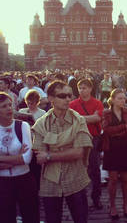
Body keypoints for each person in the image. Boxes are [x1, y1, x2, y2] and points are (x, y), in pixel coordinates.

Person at [32, 80, 92, 223]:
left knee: (81, 219)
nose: (67, 99)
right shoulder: (41, 124)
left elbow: (79, 152)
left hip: (75, 178)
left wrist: (50, 155)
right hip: (51, 182)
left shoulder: (79, 120)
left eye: (69, 95)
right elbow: (39, 157)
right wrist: (66, 148)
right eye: (62, 96)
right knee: (52, 219)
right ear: (51, 98)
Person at [0, 92, 39, 223]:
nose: (9, 108)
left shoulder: (22, 126)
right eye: (4, 106)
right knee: (6, 217)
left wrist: (3, 160)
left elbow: (27, 158)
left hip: (24, 180)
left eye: (10, 105)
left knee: (30, 216)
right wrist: (17, 157)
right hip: (3, 183)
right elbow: (21, 158)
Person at [69, 79, 104, 210]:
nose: (82, 90)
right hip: (77, 138)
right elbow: (70, 120)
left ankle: (96, 197)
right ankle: (80, 199)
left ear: (90, 89)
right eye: (80, 88)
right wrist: (87, 119)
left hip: (93, 138)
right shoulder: (72, 104)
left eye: (84, 88)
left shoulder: (97, 102)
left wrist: (78, 118)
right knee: (78, 169)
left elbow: (97, 118)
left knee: (94, 169)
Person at [101, 88, 127, 219]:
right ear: (113, 99)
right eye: (120, 98)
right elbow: (106, 130)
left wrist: (117, 131)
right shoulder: (106, 113)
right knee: (113, 179)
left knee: (126, 179)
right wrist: (123, 127)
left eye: (124, 98)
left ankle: (126, 205)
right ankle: (113, 205)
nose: (123, 100)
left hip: (125, 148)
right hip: (111, 149)